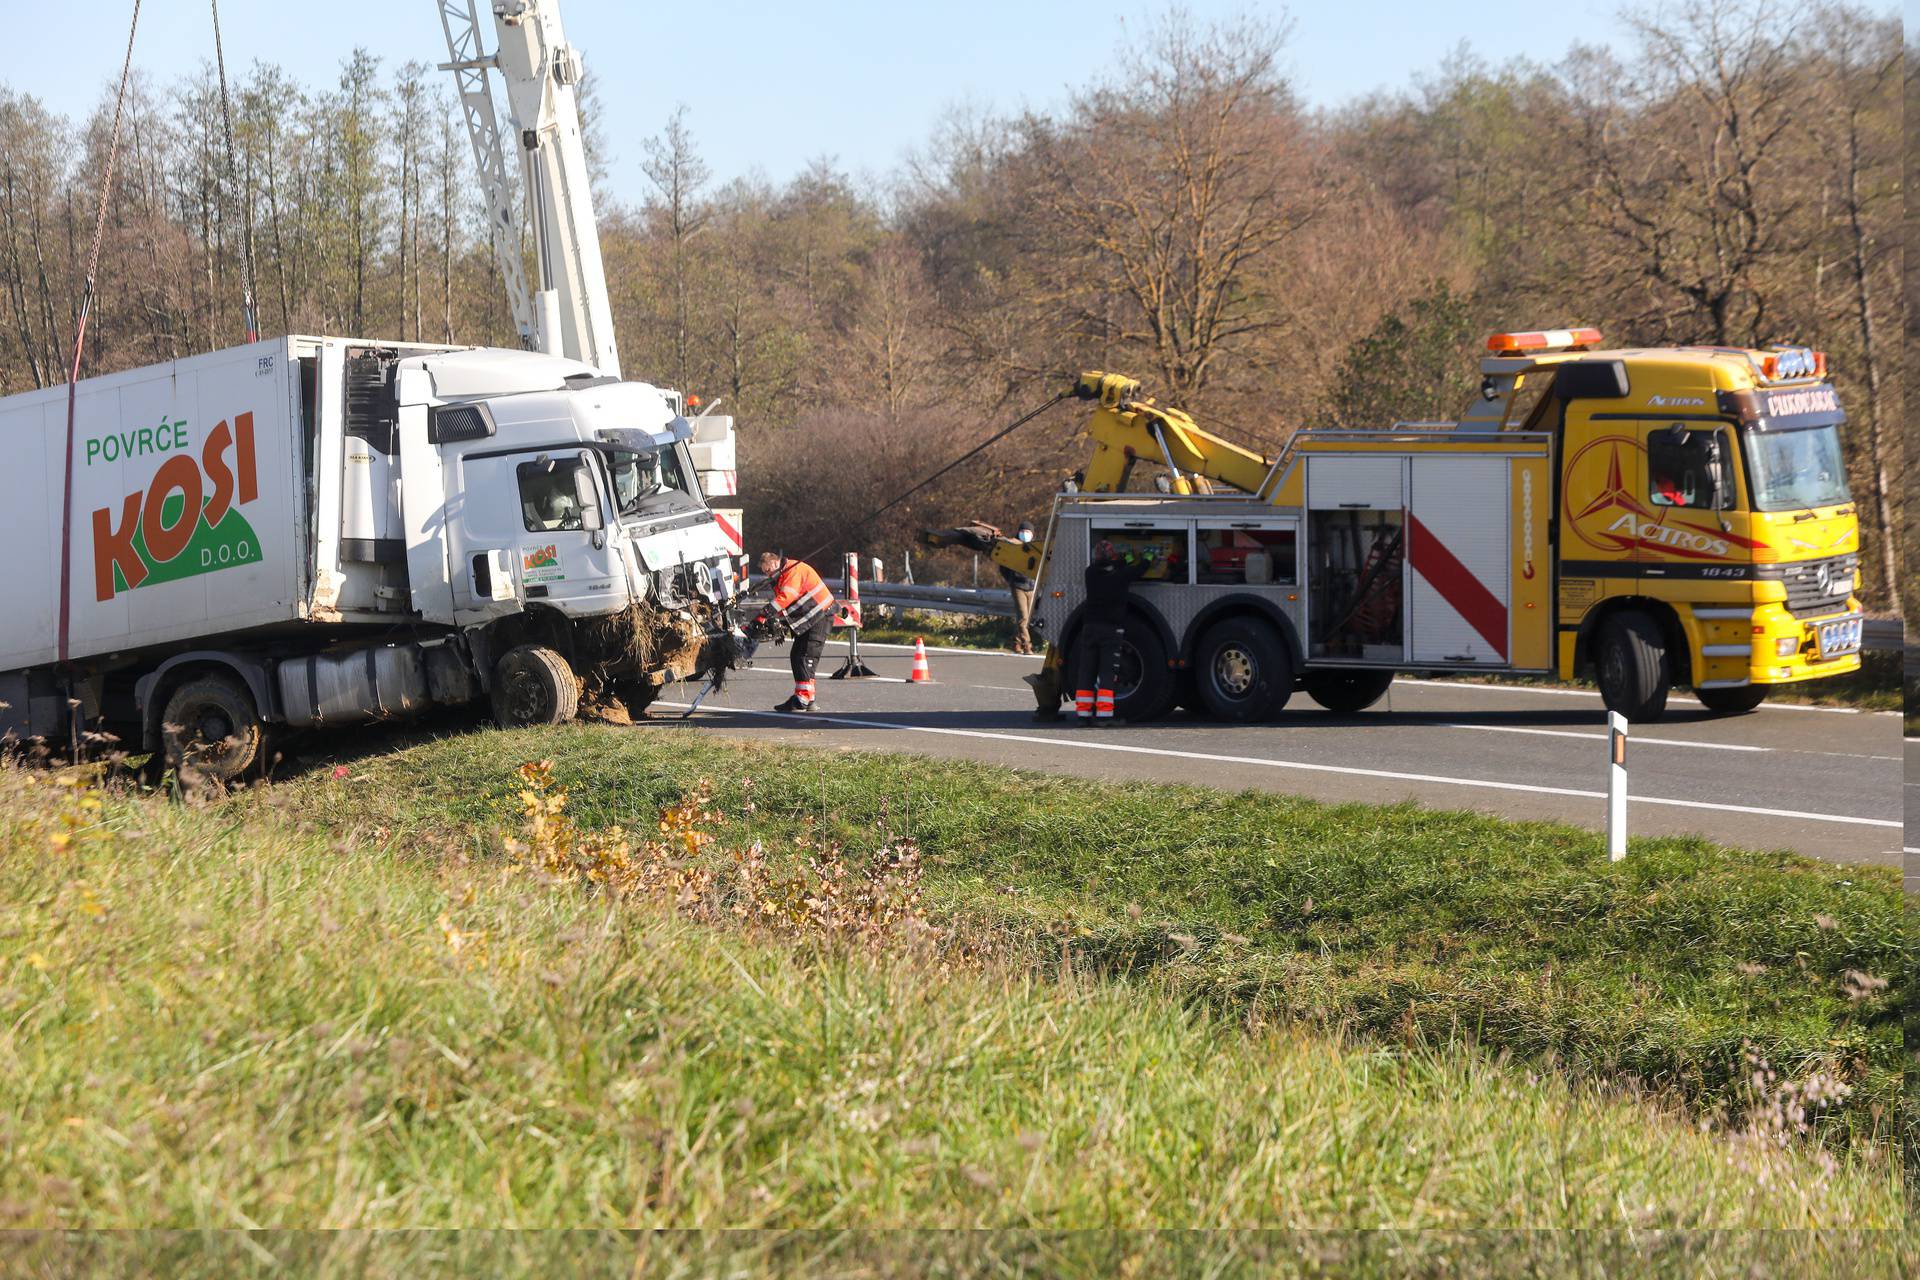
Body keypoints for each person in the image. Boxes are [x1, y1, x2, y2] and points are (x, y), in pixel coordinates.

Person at [1073, 539, 1153, 724]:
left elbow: (1110, 566)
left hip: (1089, 628)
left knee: (1087, 671)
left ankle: (1083, 715)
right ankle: (1104, 716)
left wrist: (1123, 560)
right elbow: (1139, 570)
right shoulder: (1121, 576)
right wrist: (1146, 558)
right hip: (1110, 630)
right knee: (1107, 673)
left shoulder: (1090, 573)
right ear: (1113, 556)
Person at [754, 549, 836, 713]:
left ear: (775, 562)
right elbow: (788, 605)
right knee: (799, 656)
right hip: (813, 618)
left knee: (804, 657)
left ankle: (802, 699)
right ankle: (807, 698)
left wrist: (764, 614)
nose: (768, 575)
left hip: (820, 616)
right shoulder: (783, 574)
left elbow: (787, 597)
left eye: (768, 571)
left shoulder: (794, 570)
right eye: (765, 573)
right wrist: (778, 622)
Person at [999, 520, 1038, 655]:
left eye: (1028, 532)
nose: (1025, 534)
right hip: (1018, 586)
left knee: (1028, 618)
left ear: (1032, 534)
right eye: (1023, 531)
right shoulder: (1013, 546)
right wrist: (1011, 579)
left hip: (1031, 586)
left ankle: (1016, 642)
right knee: (1023, 617)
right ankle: (1027, 645)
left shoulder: (1036, 548)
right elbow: (1003, 565)